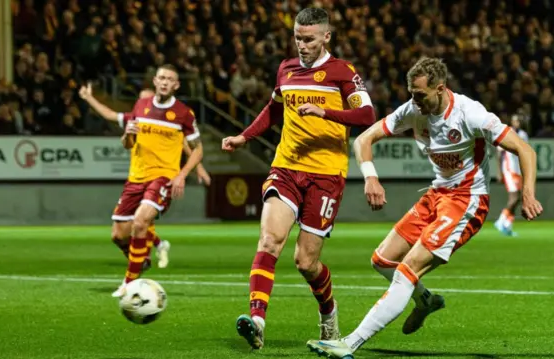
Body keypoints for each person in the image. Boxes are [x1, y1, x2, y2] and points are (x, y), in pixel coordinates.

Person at [306, 57, 543, 358]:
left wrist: (528, 194)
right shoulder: (412, 111)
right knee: (381, 261)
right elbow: (364, 140)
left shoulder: (469, 113)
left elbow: (524, 149)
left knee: (407, 271)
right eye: (411, 94)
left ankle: (349, 343)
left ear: (440, 89)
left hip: (467, 201)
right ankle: (426, 301)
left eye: (420, 95)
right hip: (436, 195)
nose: (414, 102)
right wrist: (371, 178)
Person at [221, 7, 376, 350]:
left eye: (308, 39)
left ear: (326, 37)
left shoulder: (342, 72)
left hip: (326, 174)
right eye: (297, 38)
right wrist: (245, 136)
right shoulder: (286, 69)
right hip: (287, 167)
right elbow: (275, 108)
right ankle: (258, 320)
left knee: (306, 262)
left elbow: (367, 115)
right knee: (269, 240)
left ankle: (329, 311)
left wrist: (327, 112)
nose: (302, 45)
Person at [79, 64, 205, 296]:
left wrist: (182, 174)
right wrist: (128, 134)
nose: (165, 82)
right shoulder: (140, 106)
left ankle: (129, 283)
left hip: (163, 177)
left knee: (140, 221)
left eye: (170, 79)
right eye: (161, 78)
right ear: (154, 81)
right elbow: (127, 143)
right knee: (118, 235)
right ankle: (141, 261)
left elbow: (198, 149)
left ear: (176, 85)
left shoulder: (183, 113)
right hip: (136, 178)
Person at [494, 114, 529, 236]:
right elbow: (499, 154)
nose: (517, 122)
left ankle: (507, 225)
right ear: (512, 121)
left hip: (519, 170)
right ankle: (501, 220)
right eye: (515, 120)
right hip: (509, 169)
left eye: (519, 120)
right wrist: (499, 172)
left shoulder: (523, 135)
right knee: (514, 197)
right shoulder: (507, 133)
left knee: (518, 198)